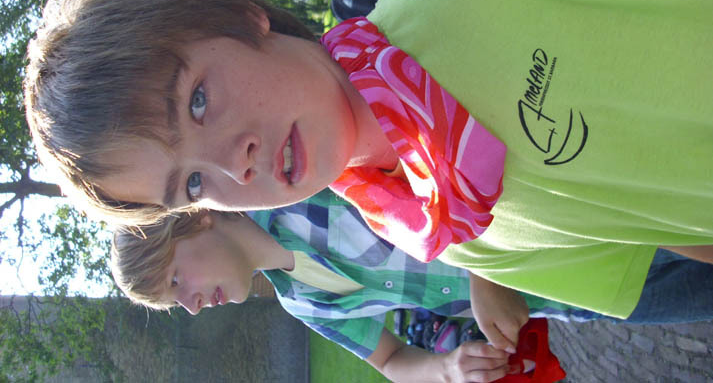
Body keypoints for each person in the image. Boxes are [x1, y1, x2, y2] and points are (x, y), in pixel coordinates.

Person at [24, 0, 713, 349]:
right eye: (193, 183)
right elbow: (671, 231)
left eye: (197, 101)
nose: (236, 164)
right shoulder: (445, 230)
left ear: (238, 17)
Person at [110, 191, 713, 382]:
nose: (192, 306)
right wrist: (446, 368)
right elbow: (393, 361)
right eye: (176, 304)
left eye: (176, 280)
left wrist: (483, 268)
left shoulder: (299, 189)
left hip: (578, 221)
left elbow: (437, 169)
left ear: (195, 219)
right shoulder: (303, 303)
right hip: (587, 299)